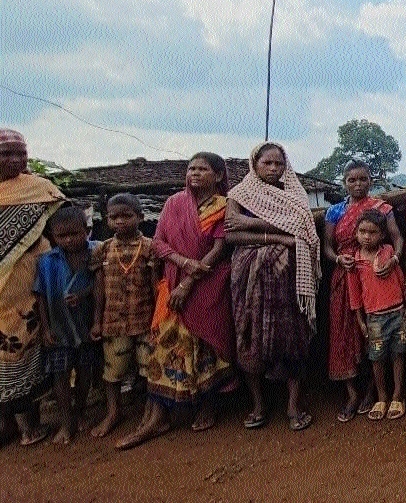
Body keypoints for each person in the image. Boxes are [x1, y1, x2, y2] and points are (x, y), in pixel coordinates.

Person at [115, 153, 236, 449]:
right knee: (167, 346)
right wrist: (183, 263)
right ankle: (158, 418)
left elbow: (219, 248)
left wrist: (189, 280)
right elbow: (158, 243)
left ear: (218, 175)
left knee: (206, 346)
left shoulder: (224, 206)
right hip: (173, 281)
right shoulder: (173, 203)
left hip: (209, 284)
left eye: (202, 169)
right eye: (191, 168)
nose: (195, 173)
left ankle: (208, 406)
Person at [226, 142, 320, 432]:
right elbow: (231, 232)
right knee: (249, 335)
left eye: (278, 164)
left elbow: (302, 229)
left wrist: (251, 224)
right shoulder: (240, 194)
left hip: (287, 279)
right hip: (248, 279)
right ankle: (258, 405)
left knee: (292, 336)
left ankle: (293, 405)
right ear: (254, 164)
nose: (273, 169)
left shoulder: (294, 195)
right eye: (267, 163)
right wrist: (277, 236)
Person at [322, 160, 402, 423]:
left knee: (372, 335)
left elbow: (397, 238)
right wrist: (338, 259)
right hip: (345, 276)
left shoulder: (381, 208)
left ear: (371, 181)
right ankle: (352, 393)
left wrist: (394, 260)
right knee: (344, 333)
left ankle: (372, 391)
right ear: (344, 182)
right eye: (352, 180)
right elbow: (327, 246)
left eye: (363, 179)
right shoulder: (334, 212)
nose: (358, 184)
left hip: (376, 276)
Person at [0, 129, 62, 447]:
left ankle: (29, 425)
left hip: (35, 287)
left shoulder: (40, 189)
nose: (15, 159)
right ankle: (13, 423)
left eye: (20, 153)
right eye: (6, 154)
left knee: (31, 348)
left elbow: (65, 229)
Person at [90, 193, 159, 442]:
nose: (120, 221)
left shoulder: (150, 247)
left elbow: (155, 286)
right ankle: (113, 412)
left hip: (144, 319)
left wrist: (157, 321)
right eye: (114, 217)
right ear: (107, 219)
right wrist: (97, 321)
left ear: (140, 217)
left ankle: (151, 413)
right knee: (113, 371)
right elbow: (98, 289)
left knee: (149, 369)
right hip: (113, 321)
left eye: (126, 216)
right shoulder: (103, 249)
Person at [34, 206, 99, 445]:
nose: (69, 240)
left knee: (85, 372)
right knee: (60, 374)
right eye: (62, 236)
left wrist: (83, 295)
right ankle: (66, 420)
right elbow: (40, 296)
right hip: (59, 328)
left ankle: (80, 410)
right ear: (53, 236)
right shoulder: (46, 261)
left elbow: (101, 284)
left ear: (86, 230)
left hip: (86, 325)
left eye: (74, 234)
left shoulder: (96, 252)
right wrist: (45, 328)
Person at [349, 210, 406, 421]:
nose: (367, 236)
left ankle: (398, 395)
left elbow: (400, 279)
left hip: (396, 311)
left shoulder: (389, 252)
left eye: (372, 232)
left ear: (382, 234)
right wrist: (360, 320)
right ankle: (382, 396)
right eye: (362, 231)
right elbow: (355, 293)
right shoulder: (355, 262)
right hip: (373, 317)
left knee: (398, 354)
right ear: (356, 233)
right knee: (376, 357)